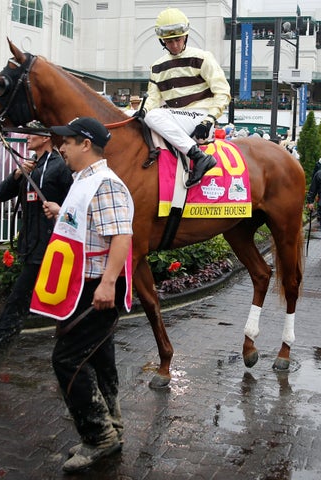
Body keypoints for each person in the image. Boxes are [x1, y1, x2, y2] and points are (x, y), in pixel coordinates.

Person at [35, 117, 133, 473]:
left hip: (97, 287)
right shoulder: (85, 182)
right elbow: (93, 225)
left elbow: (121, 236)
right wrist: (62, 213)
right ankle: (111, 427)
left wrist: (108, 284)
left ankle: (98, 437)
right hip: (85, 284)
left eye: (68, 142)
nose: (61, 148)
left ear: (86, 144)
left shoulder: (104, 183)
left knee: (67, 360)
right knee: (99, 357)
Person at [0, 124, 73, 384]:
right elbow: (1, 195)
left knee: (17, 306)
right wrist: (16, 175)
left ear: (45, 138)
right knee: (48, 307)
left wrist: (60, 209)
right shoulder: (29, 166)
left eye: (31, 133)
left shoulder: (59, 166)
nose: (27, 138)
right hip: (32, 247)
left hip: (50, 248)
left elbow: (75, 202)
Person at [142, 7, 230, 188]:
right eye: (169, 41)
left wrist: (209, 120)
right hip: (174, 117)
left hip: (200, 117)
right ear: (162, 41)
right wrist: (141, 111)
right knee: (137, 116)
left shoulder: (203, 58)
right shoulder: (157, 67)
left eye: (178, 39)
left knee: (153, 116)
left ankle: (200, 157)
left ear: (186, 37)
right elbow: (152, 99)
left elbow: (223, 92)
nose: (174, 45)